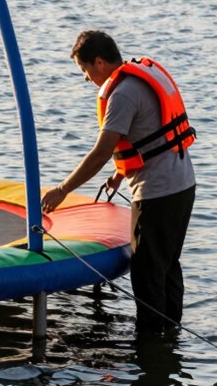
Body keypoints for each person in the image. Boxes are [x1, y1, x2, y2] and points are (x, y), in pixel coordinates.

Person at [41, 30, 196, 334]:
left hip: (157, 192)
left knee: (147, 272)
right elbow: (150, 133)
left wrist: (62, 190)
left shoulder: (123, 93)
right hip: (183, 185)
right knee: (167, 264)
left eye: (85, 71)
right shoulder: (141, 76)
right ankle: (171, 332)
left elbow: (101, 152)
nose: (87, 79)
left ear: (99, 62)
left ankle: (150, 342)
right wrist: (120, 174)